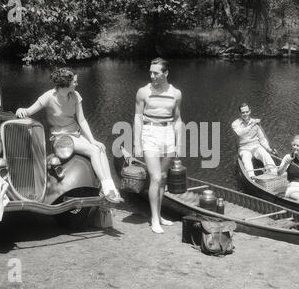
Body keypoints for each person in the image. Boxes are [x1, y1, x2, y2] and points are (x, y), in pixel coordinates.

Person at [15, 67, 123, 203]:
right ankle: (107, 189)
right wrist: (20, 110)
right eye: (75, 81)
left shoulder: (75, 96)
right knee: (93, 150)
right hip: (61, 139)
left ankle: (111, 186)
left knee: (100, 148)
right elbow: (29, 111)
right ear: (67, 83)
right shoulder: (48, 96)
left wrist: (92, 139)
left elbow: (82, 120)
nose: (77, 84)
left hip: (75, 135)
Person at [133, 57, 183, 234]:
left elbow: (177, 120)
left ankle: (159, 215)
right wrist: (137, 142)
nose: (152, 76)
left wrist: (179, 143)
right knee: (155, 177)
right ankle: (154, 218)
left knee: (162, 177)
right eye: (151, 73)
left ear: (166, 73)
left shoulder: (176, 93)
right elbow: (138, 117)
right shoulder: (143, 92)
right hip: (150, 133)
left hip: (168, 133)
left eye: (156, 73)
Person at [231, 103, 277, 178]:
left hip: (256, 146)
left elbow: (262, 138)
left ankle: (274, 173)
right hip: (244, 148)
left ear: (250, 111)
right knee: (246, 159)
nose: (245, 114)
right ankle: (252, 178)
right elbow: (240, 133)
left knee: (265, 154)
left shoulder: (255, 122)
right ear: (240, 113)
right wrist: (252, 125)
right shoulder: (235, 124)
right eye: (243, 112)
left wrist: (268, 149)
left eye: (247, 111)